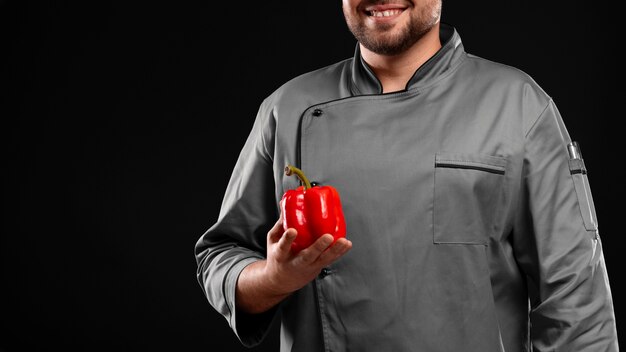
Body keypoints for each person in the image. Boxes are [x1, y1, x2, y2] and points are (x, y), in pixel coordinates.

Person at [194, 0, 619, 351]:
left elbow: (575, 302)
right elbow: (221, 254)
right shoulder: (286, 109)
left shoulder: (520, 106)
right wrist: (272, 280)